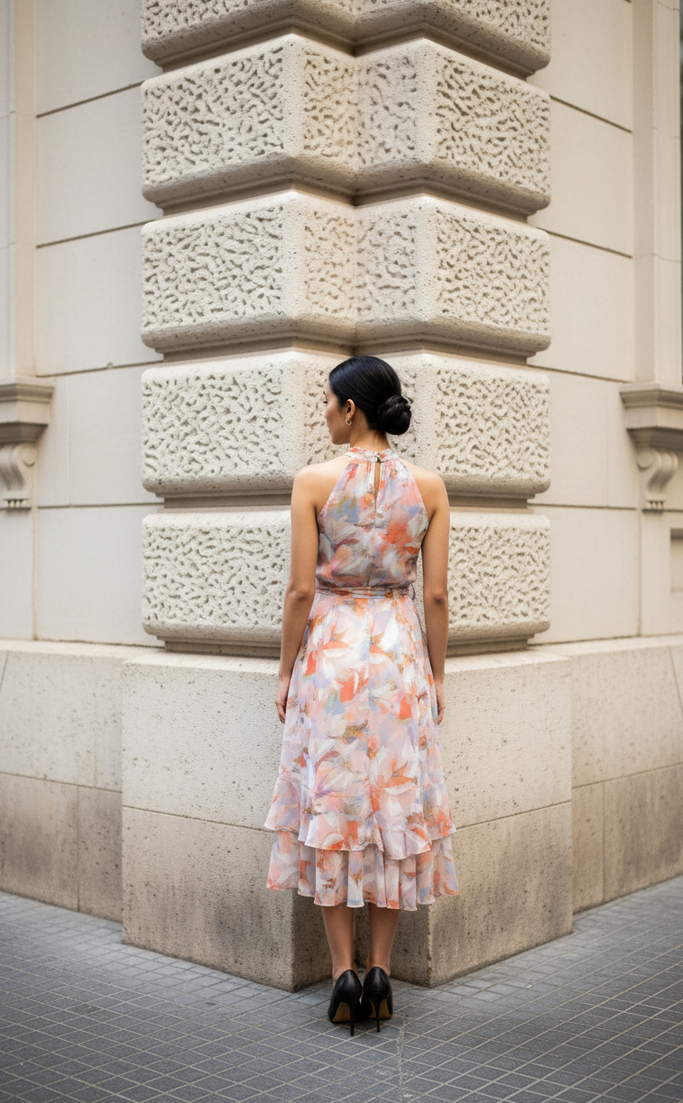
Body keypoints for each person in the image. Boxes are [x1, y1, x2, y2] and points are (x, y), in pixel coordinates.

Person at [264, 355, 458, 1034]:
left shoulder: (314, 481)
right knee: (394, 804)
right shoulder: (428, 487)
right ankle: (381, 970)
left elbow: (298, 591)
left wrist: (285, 671)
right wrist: (435, 675)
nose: (322, 413)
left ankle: (343, 971)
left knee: (334, 804)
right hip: (401, 655)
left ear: (351, 409)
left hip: (332, 657)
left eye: (327, 402)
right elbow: (434, 594)